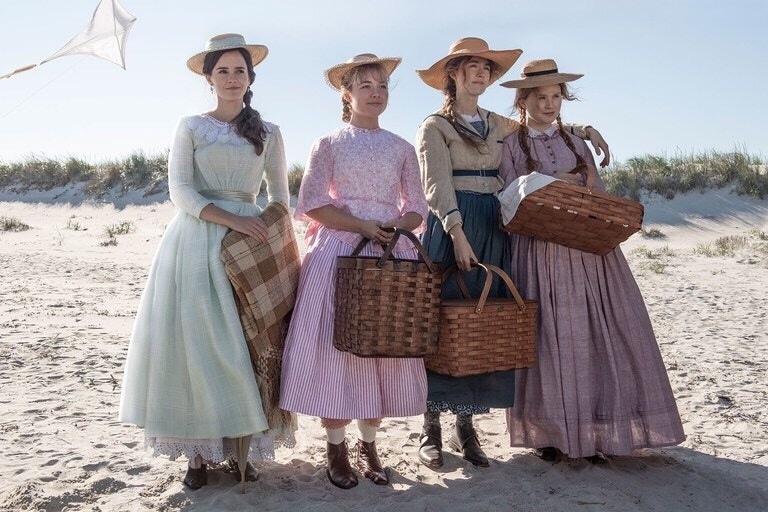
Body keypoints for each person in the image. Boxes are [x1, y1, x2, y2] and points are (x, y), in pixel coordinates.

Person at [414, 37, 611, 469]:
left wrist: (584, 130)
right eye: (470, 66)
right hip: (454, 223)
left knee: (483, 321)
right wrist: (456, 232)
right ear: (453, 74)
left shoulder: (497, 123)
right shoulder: (435, 126)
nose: (480, 73)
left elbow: (539, 124)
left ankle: (465, 427)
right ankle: (430, 427)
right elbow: (435, 185)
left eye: (486, 67)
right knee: (444, 321)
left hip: (494, 223)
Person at [119, 33, 291, 489]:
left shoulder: (269, 132)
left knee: (245, 347)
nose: (232, 78)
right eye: (223, 71)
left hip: (249, 244)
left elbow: (280, 197)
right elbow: (180, 190)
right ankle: (197, 455)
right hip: (195, 241)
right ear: (208, 78)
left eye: (240, 70)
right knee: (196, 347)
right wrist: (229, 219)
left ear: (251, 77)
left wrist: (263, 232)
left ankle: (239, 450)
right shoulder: (191, 126)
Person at [499, 58, 685, 463]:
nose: (549, 104)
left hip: (587, 250)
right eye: (540, 97)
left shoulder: (576, 142)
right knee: (549, 337)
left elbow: (595, 194)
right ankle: (551, 435)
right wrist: (551, 184)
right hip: (540, 250)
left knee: (597, 333)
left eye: (556, 97)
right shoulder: (512, 144)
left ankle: (597, 433)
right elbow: (509, 194)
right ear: (523, 100)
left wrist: (578, 187)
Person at [279, 54, 429, 489]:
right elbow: (313, 204)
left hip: (388, 252)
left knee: (381, 346)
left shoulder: (401, 147)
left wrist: (393, 226)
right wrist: (362, 225)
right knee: (337, 349)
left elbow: (417, 207)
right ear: (347, 94)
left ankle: (369, 445)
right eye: (365, 85)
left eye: (382, 86)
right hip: (340, 250)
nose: (376, 93)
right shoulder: (328, 144)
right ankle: (336, 446)